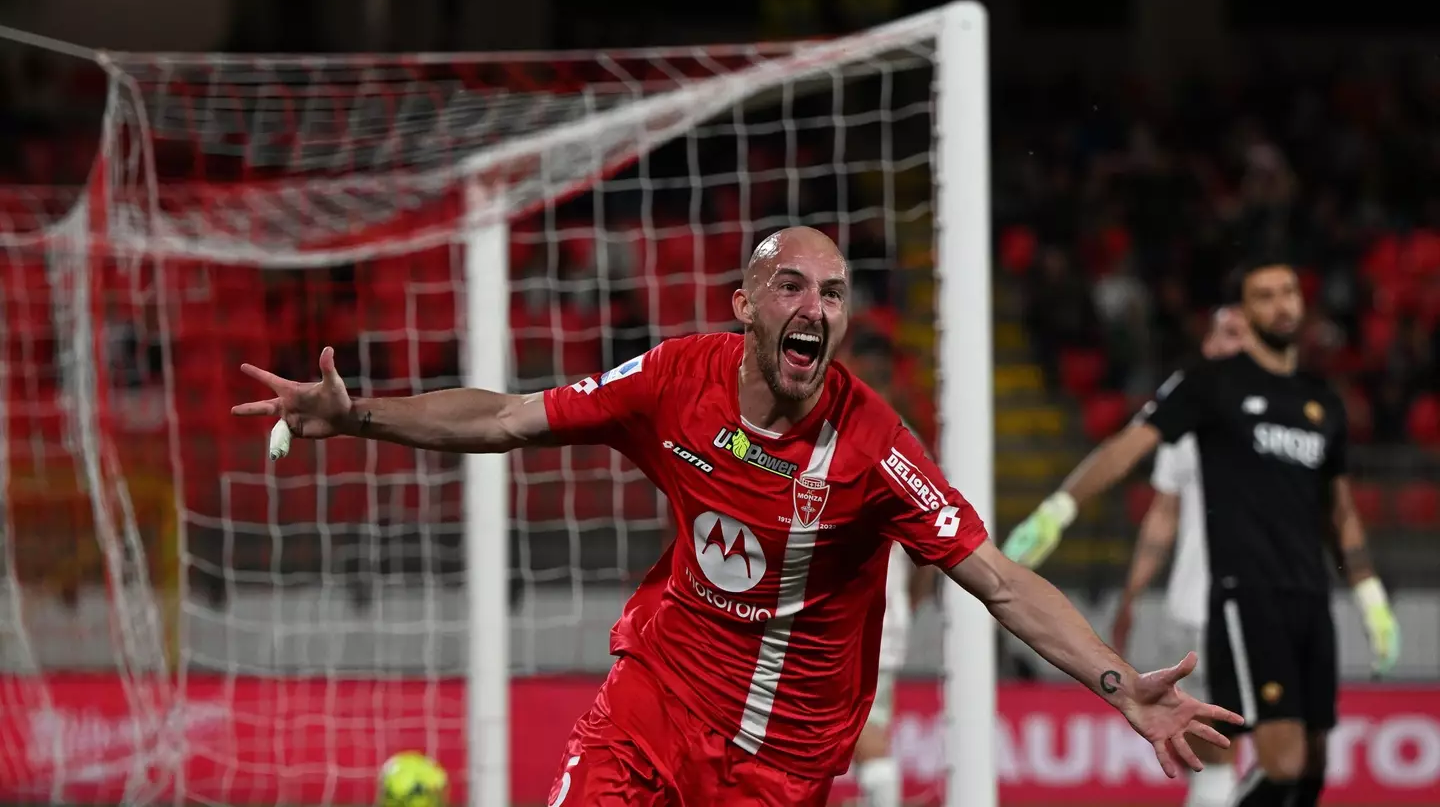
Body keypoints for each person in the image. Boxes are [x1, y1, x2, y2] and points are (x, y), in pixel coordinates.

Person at [235, 227, 1241, 807]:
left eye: (836, 292)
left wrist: (1121, 687)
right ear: (744, 306)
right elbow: (507, 415)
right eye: (793, 284)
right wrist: (357, 415)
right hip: (658, 700)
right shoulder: (674, 377)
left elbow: (998, 578)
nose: (817, 304)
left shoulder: (873, 442)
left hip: (783, 760)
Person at [1003, 258, 1401, 807]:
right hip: (1245, 597)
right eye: (1265, 295)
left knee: (1312, 765)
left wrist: (1369, 593)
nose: (1281, 304)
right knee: (1275, 762)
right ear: (1243, 310)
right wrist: (1059, 508)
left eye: (1289, 292)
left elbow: (1340, 510)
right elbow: (1130, 447)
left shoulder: (1322, 402)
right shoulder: (1211, 388)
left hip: (1310, 596)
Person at [1107, 306, 1251, 807]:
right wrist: (1130, 596)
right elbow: (1164, 514)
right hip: (1198, 607)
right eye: (1217, 334)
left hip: (1251, 606)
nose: (1223, 344)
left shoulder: (1280, 412)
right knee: (1209, 746)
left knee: (1222, 749)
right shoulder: (1190, 416)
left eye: (1236, 334)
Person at [843, 332, 939, 807]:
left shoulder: (841, 432)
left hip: (852, 617)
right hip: (884, 612)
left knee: (864, 734)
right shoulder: (908, 441)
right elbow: (931, 550)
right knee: (867, 728)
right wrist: (912, 600)